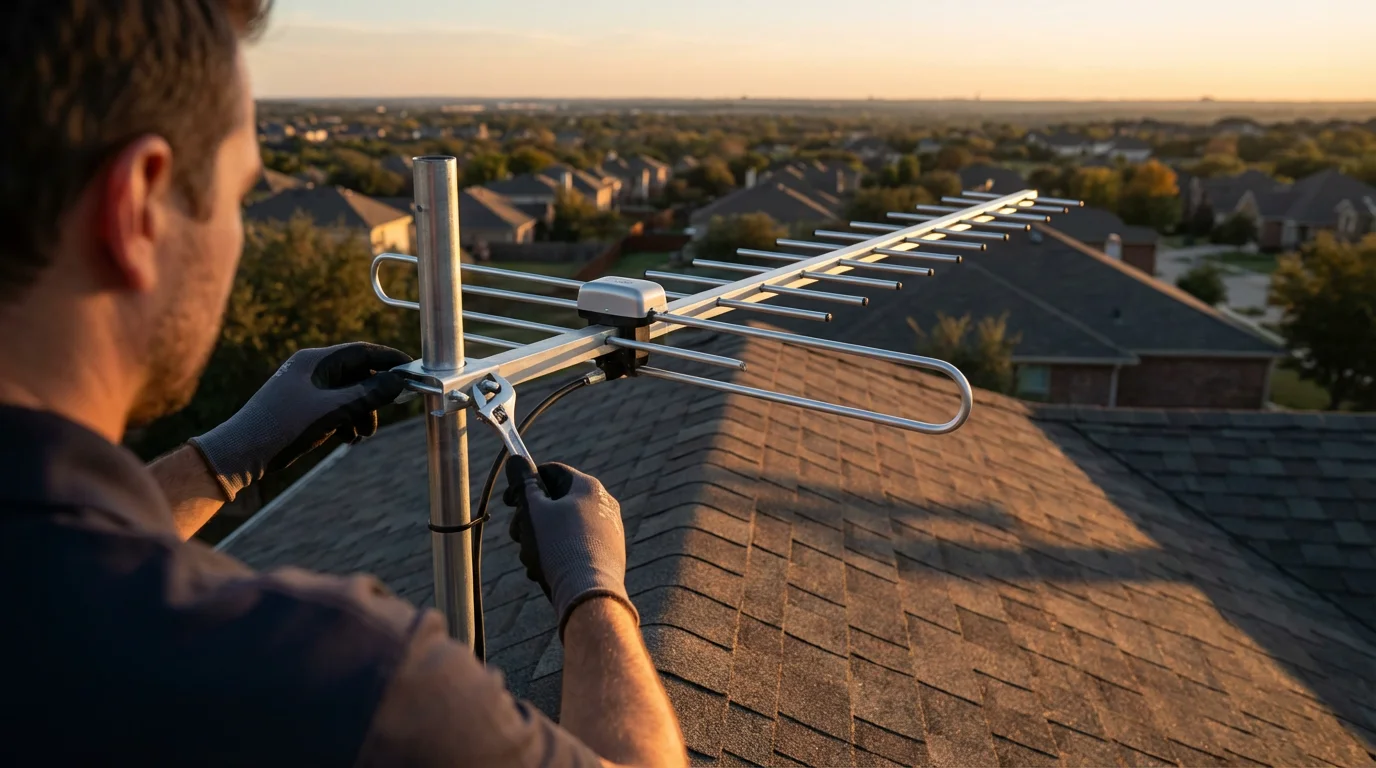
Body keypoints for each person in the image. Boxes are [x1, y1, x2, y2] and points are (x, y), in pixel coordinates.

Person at [0, 2, 686, 766]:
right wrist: (596, 597)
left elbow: (60, 557)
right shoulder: (337, 681)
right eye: (239, 198)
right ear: (136, 209)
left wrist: (223, 460)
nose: (236, 234)